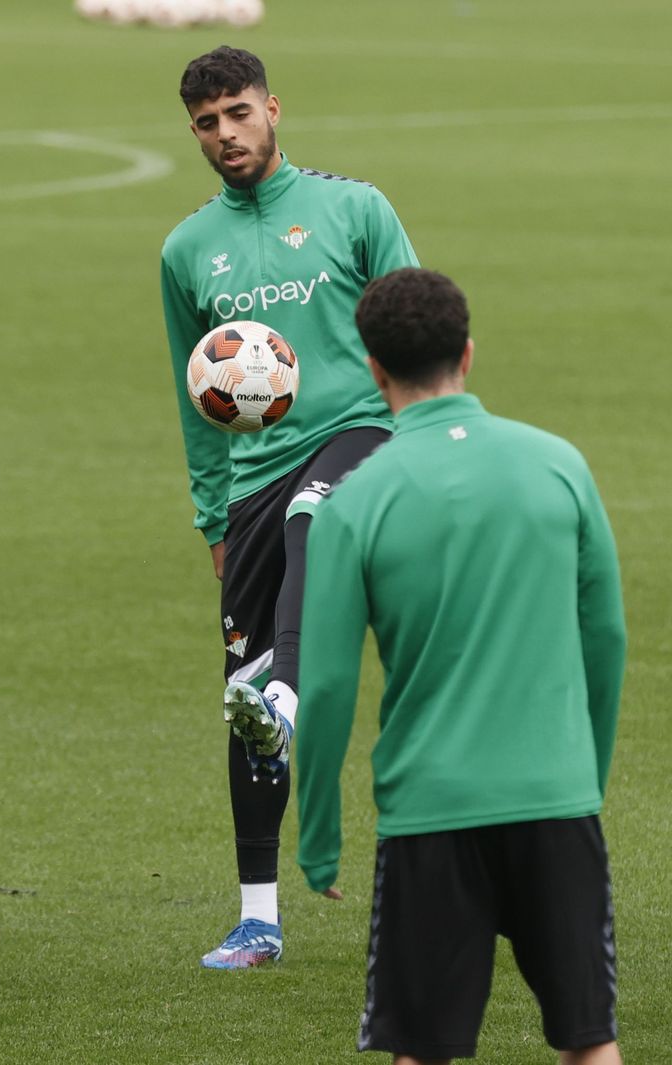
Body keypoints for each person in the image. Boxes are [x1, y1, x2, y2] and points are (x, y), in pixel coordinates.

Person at [296, 268, 626, 1064]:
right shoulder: (559, 464)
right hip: (555, 798)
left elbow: (329, 683)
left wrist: (319, 835)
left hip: (431, 812)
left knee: (424, 1049)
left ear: (374, 369)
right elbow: (607, 635)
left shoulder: (353, 503)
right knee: (590, 1042)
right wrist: (585, 773)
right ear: (468, 353)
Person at [158, 45, 420, 967]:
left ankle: (286, 692)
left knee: (316, 510)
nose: (225, 135)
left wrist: (431, 446)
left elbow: (419, 326)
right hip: (251, 483)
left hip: (361, 440)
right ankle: (259, 919)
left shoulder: (355, 208)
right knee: (240, 698)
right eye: (207, 124)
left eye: (238, 113)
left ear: (273, 108)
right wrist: (213, 519)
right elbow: (195, 402)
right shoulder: (187, 250)